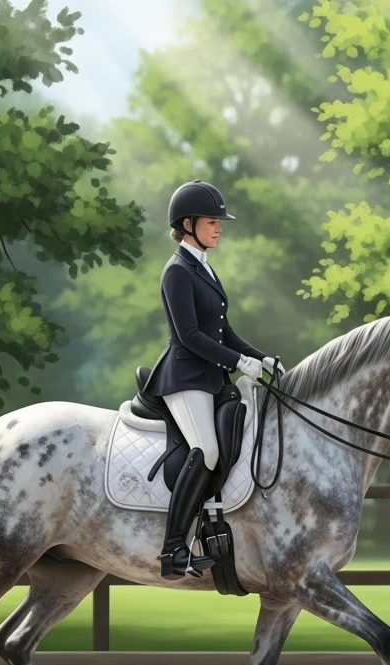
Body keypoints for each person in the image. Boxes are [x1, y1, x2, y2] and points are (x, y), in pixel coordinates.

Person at [142, 179, 284, 579]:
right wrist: (241, 362)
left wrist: (261, 357)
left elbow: (224, 332)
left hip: (209, 375)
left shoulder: (202, 267)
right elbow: (190, 336)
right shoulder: (177, 272)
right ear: (187, 224)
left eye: (219, 222)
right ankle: (173, 549)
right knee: (205, 450)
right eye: (212, 221)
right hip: (184, 376)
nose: (219, 227)